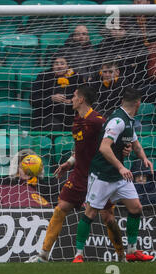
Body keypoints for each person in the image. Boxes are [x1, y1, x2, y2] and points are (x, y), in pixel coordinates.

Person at [26, 86, 126, 263]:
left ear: (81, 100)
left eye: (74, 96)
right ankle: (43, 255)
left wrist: (125, 148)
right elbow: (79, 149)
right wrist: (69, 163)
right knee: (60, 208)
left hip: (99, 176)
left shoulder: (97, 121)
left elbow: (115, 136)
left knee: (108, 217)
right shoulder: (76, 120)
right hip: (79, 175)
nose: (71, 99)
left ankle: (121, 256)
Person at [73, 87, 154, 263]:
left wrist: (145, 159)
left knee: (136, 208)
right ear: (138, 104)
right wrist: (121, 167)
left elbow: (136, 143)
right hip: (102, 174)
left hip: (118, 177)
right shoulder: (117, 121)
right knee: (90, 213)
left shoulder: (129, 120)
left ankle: (132, 251)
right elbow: (103, 147)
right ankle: (78, 255)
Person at [31, 52, 82, 132]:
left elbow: (84, 97)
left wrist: (72, 101)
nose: (59, 66)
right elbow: (33, 99)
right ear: (52, 65)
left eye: (62, 63)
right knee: (53, 125)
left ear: (68, 66)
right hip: (46, 115)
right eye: (56, 63)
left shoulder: (76, 77)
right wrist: (51, 98)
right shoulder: (43, 76)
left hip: (70, 114)